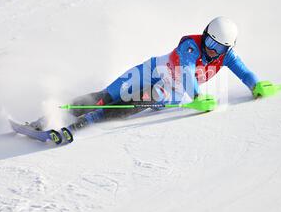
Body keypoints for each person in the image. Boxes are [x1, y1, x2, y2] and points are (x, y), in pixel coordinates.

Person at [31, 17, 262, 133]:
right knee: (108, 95)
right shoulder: (192, 45)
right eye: (210, 41)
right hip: (152, 70)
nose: (212, 49)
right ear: (205, 35)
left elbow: (245, 72)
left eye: (219, 47)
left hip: (172, 90)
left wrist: (256, 86)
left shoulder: (227, 57)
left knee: (137, 100)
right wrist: (197, 96)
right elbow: (188, 72)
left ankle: (85, 122)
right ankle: (52, 115)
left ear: (227, 49)